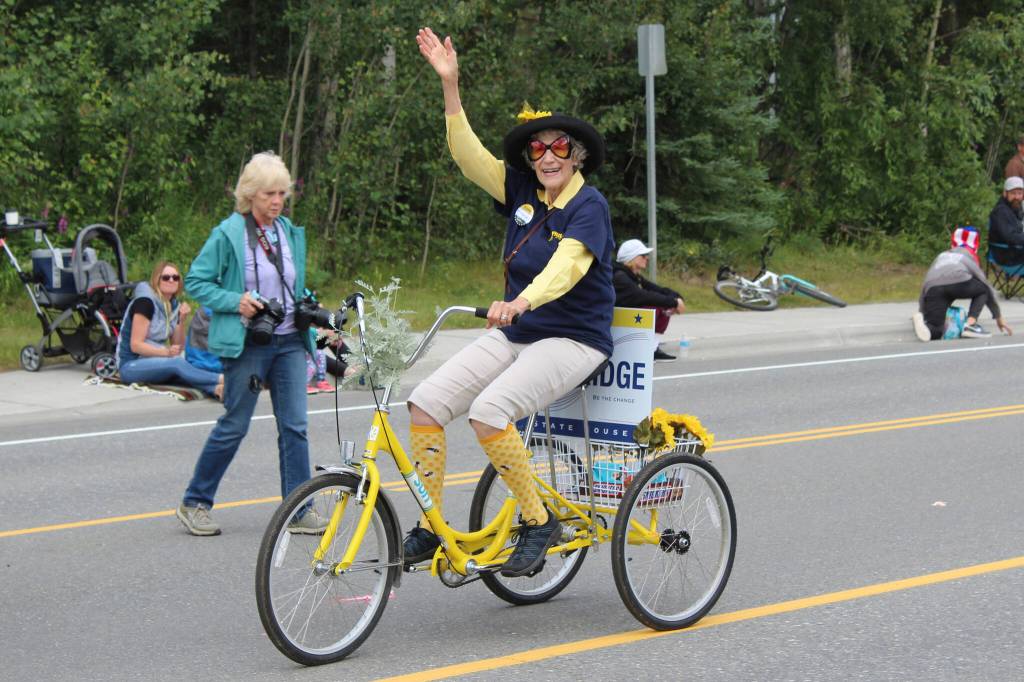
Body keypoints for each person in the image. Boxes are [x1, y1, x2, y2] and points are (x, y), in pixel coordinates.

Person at [407, 27, 615, 577]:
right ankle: (431, 525)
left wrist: (520, 301)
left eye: (560, 147)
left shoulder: (588, 204)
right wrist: (450, 86)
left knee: (488, 412)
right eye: (539, 148)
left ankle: (537, 518)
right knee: (425, 402)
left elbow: (567, 266)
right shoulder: (521, 190)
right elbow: (467, 155)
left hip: (573, 338)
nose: (548, 156)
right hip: (519, 332)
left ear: (578, 156)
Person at [176, 151, 322, 537]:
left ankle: (300, 509)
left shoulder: (288, 231)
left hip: (290, 339)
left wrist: (309, 307)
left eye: (281, 194)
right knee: (234, 425)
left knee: (295, 426)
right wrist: (234, 300)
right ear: (250, 195)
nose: (276, 202)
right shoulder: (227, 234)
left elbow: (291, 283)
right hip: (248, 342)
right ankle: (195, 502)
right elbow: (196, 282)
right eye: (268, 194)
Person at [116, 261, 223, 398]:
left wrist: (181, 320)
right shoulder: (145, 303)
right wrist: (165, 352)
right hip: (130, 365)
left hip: (154, 361)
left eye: (175, 277)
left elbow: (178, 346)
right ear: (157, 280)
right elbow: (136, 345)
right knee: (177, 364)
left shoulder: (173, 305)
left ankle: (216, 390)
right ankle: (222, 379)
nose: (171, 280)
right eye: (166, 277)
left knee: (183, 370)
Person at [912, 226, 1013, 342]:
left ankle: (926, 328)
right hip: (958, 281)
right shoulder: (968, 255)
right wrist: (998, 317)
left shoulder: (941, 256)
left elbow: (926, 285)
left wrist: (922, 312)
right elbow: (985, 285)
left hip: (933, 286)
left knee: (937, 329)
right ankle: (970, 325)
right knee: (983, 289)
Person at [612, 238, 686, 361]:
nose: (647, 258)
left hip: (625, 316)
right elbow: (643, 296)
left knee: (663, 305)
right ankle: (647, 349)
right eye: (643, 255)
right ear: (633, 258)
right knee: (655, 306)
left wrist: (677, 298)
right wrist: (673, 302)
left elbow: (657, 289)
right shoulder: (620, 277)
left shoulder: (634, 276)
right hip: (616, 320)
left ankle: (653, 348)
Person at [987, 176, 1024, 258]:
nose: (1017, 197)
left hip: (1014, 250)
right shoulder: (1001, 211)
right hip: (1005, 255)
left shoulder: (1014, 207)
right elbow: (1011, 237)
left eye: (1019, 193)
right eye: (1013, 193)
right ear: (1005, 193)